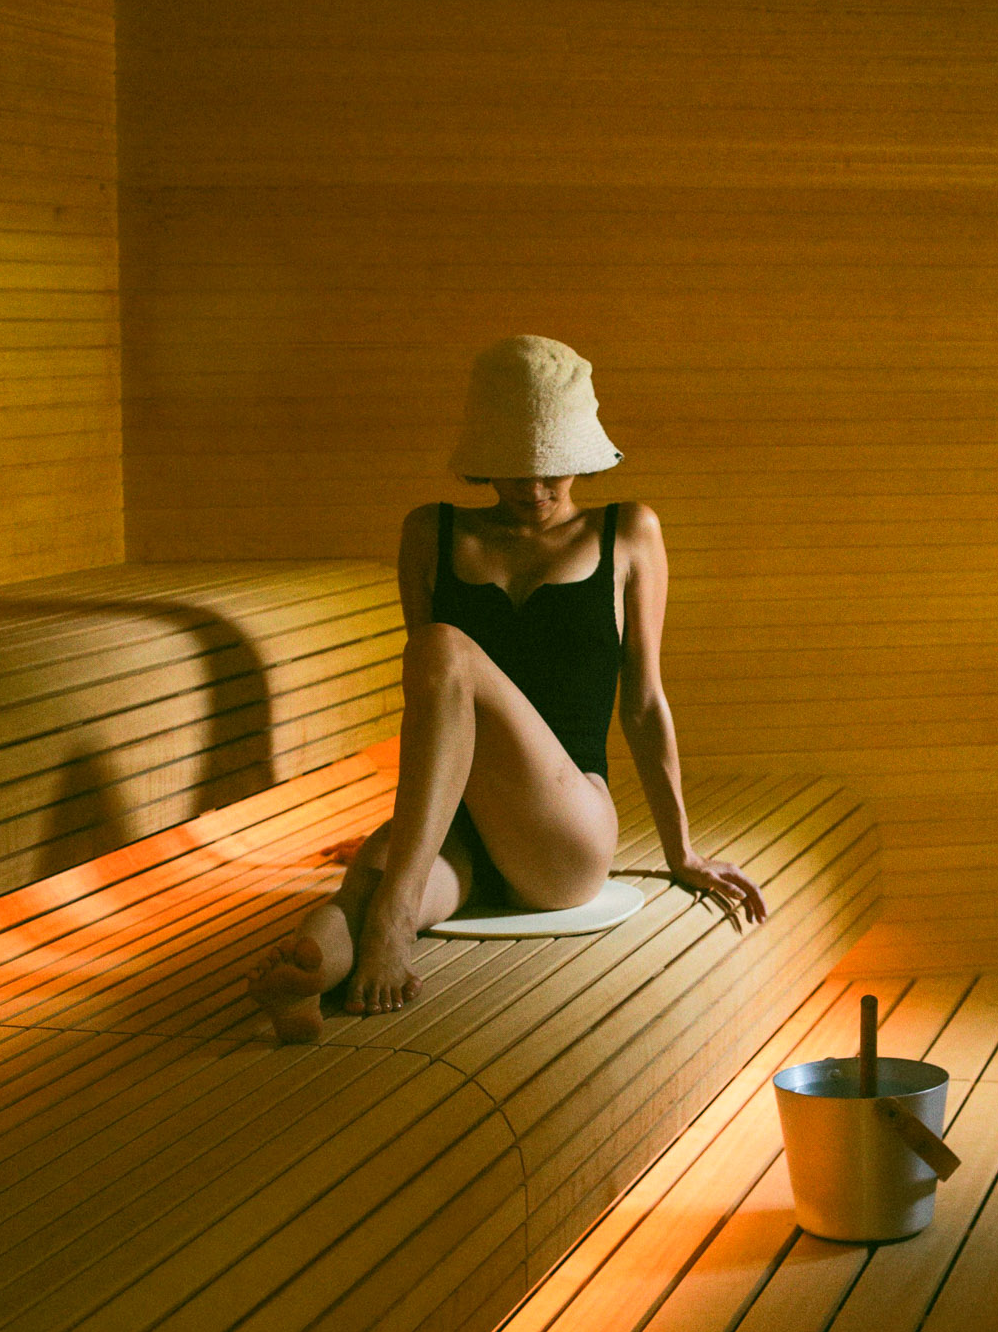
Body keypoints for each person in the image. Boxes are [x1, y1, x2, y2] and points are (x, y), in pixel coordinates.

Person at [247, 335, 766, 1043]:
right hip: (463, 826)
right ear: (484, 456)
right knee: (368, 879)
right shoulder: (430, 533)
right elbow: (434, 707)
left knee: (442, 648)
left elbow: (643, 703)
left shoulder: (628, 532)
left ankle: (392, 916)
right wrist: (404, 829)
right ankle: (306, 977)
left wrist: (683, 852)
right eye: (518, 467)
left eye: (553, 466)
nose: (536, 487)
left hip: (564, 832)